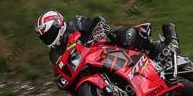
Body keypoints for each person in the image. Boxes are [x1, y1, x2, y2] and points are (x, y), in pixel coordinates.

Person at [35, 10, 179, 65]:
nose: (48, 39)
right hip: (93, 64)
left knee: (125, 37)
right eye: (44, 37)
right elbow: (61, 70)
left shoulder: (75, 24)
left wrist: (98, 28)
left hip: (106, 47)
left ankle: (160, 48)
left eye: (49, 34)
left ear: (58, 25)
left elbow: (96, 20)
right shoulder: (54, 54)